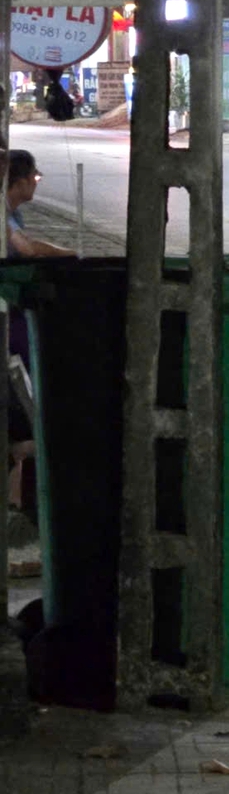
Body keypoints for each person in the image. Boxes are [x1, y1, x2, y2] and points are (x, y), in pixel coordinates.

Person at [5, 151, 70, 524]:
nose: (36, 181)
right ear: (18, 179)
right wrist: (68, 255)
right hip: (8, 317)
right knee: (28, 395)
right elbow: (26, 249)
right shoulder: (3, 214)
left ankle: (19, 492)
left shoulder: (12, 214)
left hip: (14, 312)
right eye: (35, 176)